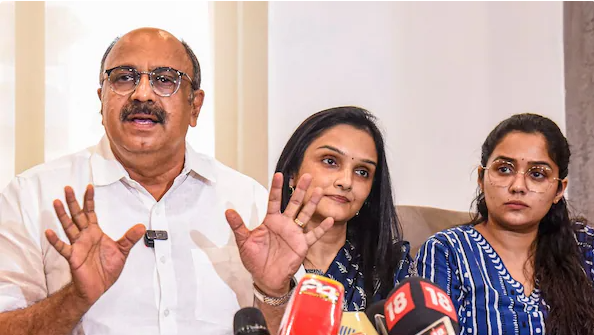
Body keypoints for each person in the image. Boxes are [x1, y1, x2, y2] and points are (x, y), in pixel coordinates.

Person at [0, 27, 301, 335]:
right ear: (101, 99)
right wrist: (74, 299)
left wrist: (273, 292)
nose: (142, 94)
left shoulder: (247, 200)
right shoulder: (32, 196)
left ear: (194, 106)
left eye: (165, 79)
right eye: (124, 78)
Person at [225, 107, 411, 332]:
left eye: (362, 172)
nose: (346, 181)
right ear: (293, 172)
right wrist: (271, 291)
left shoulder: (392, 266)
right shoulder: (253, 258)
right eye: (330, 161)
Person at [415, 113, 594, 335]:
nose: (518, 186)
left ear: (559, 189)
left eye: (537, 174)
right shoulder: (447, 251)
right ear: (481, 178)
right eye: (504, 170)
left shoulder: (585, 247)